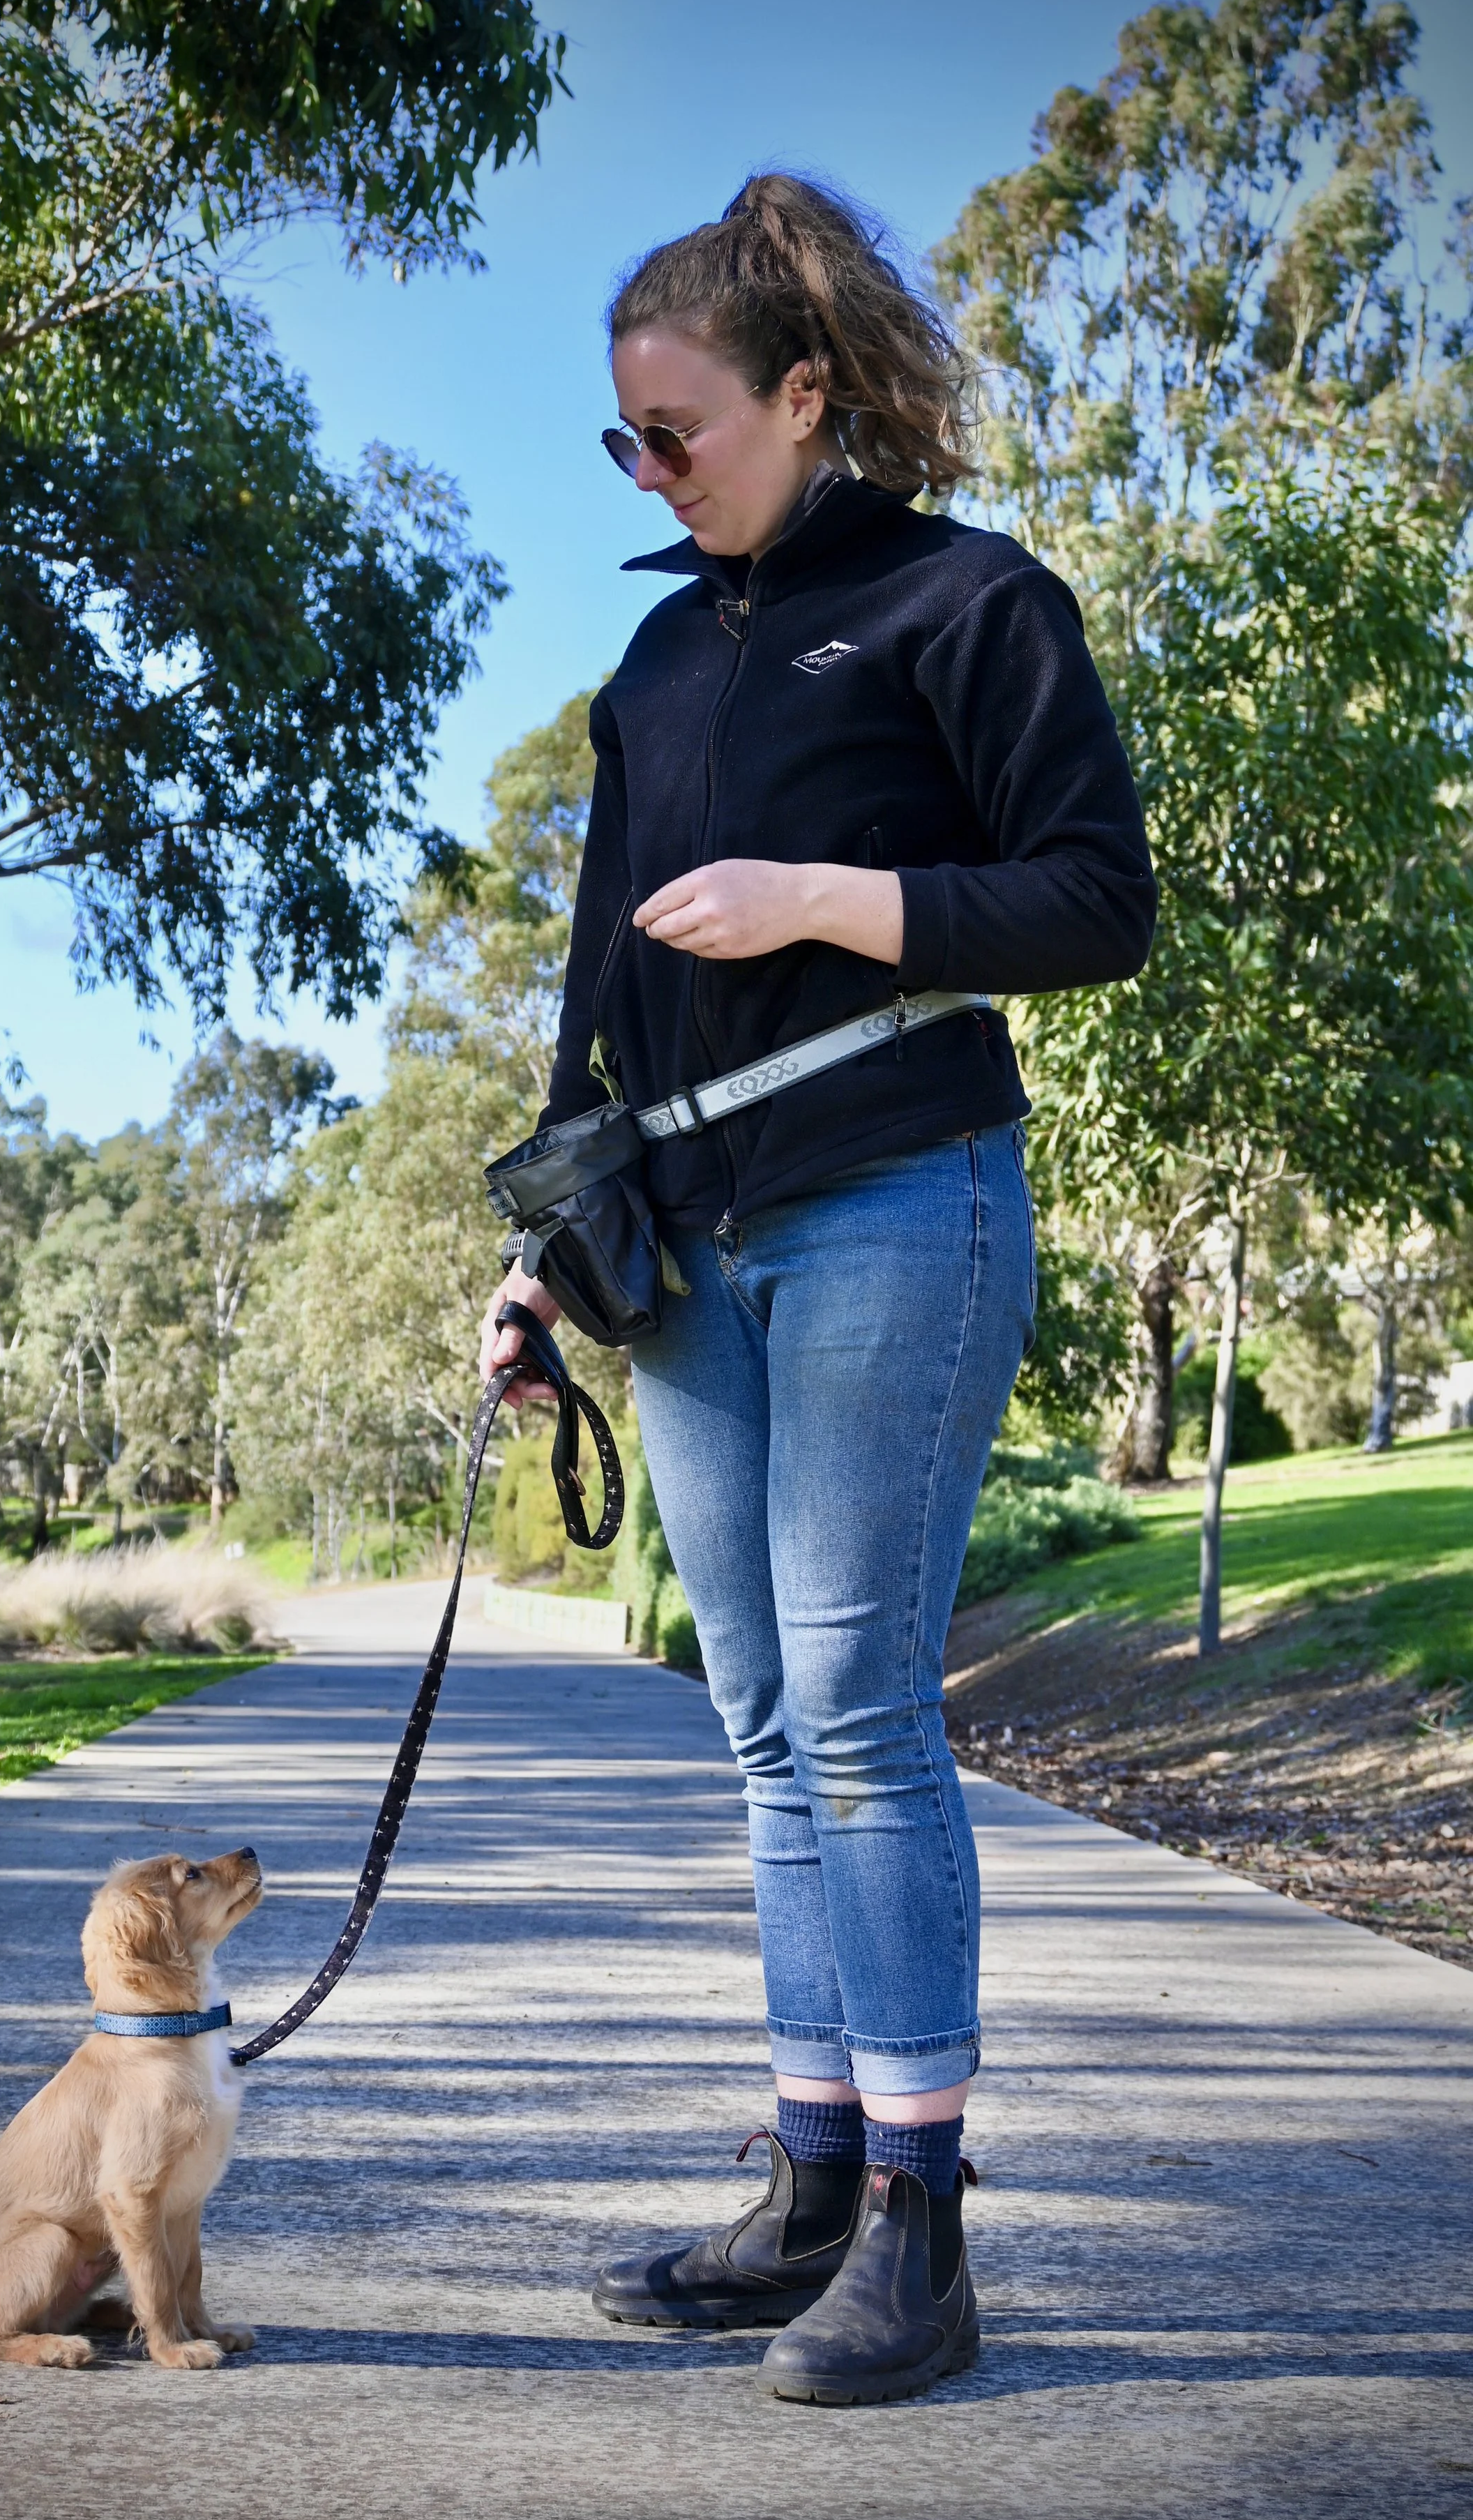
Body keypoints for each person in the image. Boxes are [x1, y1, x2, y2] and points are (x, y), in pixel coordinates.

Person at [478, 173, 1156, 2407]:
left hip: (892, 1189)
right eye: (623, 445)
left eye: (676, 433)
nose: (651, 474)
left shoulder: (969, 604)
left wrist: (822, 896)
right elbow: (596, 985)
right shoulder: (661, 658)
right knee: (765, 1724)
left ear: (802, 394)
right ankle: (804, 2182)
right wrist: (539, 1258)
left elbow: (1088, 901)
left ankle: (920, 2235)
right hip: (680, 1239)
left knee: (861, 1716)